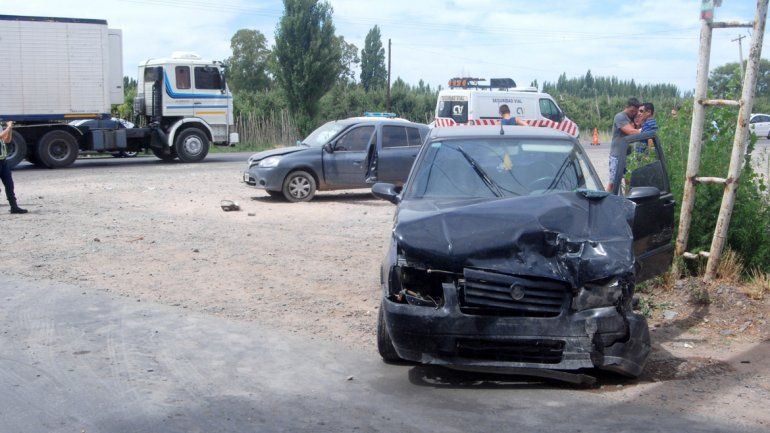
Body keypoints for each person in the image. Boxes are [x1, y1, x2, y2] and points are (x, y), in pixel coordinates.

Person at [606, 98, 641, 193]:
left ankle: (626, 200)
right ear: (626, 107)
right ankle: (607, 200)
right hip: (617, 156)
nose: (633, 113)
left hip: (628, 156)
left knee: (628, 183)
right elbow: (631, 132)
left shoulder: (633, 118)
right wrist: (644, 130)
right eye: (632, 111)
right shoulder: (619, 117)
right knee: (613, 183)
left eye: (635, 111)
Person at [0, 121, 28, 214]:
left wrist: (10, 129)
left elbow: (7, 140)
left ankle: (14, 207)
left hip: (3, 161)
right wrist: (8, 127)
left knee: (9, 184)